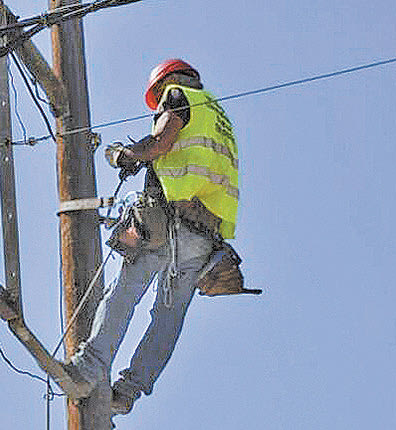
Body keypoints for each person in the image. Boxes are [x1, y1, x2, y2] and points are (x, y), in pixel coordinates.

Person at [62, 59, 259, 415]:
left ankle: (88, 369)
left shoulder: (177, 96)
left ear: (166, 83)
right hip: (205, 238)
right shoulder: (218, 115)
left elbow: (160, 142)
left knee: (124, 293)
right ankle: (128, 391)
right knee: (168, 317)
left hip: (171, 223)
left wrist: (127, 155)